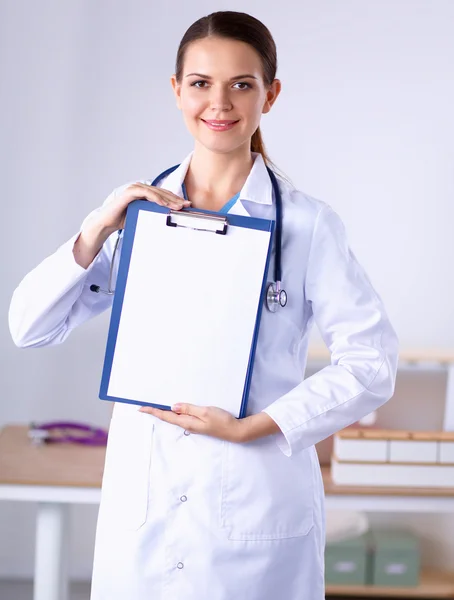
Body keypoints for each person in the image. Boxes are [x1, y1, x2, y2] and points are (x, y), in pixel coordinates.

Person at [8, 10, 399, 600]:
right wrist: (95, 229)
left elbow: (372, 363)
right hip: (145, 512)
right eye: (200, 83)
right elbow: (28, 328)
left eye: (242, 83)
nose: (219, 102)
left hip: (255, 505)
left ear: (271, 93)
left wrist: (253, 429)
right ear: (176, 90)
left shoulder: (308, 225)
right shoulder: (136, 219)